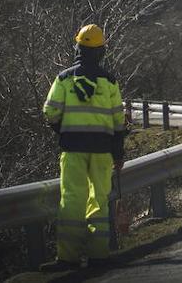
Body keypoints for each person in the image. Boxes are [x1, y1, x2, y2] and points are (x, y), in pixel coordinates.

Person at [39, 24, 127, 271]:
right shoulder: (109, 82)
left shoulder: (64, 79)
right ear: (101, 51)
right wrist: (118, 152)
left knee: (71, 200)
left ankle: (68, 258)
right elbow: (118, 121)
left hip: (73, 149)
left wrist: (63, 130)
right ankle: (99, 256)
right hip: (102, 150)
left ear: (78, 47)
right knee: (98, 200)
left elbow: (50, 111)